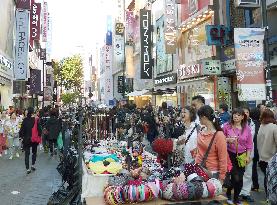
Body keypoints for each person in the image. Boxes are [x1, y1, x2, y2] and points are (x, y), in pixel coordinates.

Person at [223, 108, 253, 205]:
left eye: (238, 115)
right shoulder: (227, 126)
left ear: (243, 117)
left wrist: (248, 157)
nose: (235, 116)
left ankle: (236, 198)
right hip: (229, 155)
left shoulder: (247, 128)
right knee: (235, 177)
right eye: (234, 114)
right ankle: (229, 193)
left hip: (242, 156)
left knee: (239, 178)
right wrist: (228, 140)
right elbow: (220, 139)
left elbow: (249, 145)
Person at [195, 105, 228, 182]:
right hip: (199, 169)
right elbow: (199, 151)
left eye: (199, 117)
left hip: (212, 173)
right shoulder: (202, 130)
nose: (198, 120)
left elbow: (223, 158)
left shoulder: (219, 135)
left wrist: (222, 177)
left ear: (204, 117)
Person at [257, 109, 277, 199]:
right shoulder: (274, 127)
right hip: (272, 158)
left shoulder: (261, 126)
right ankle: (271, 196)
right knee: (272, 179)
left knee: (266, 177)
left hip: (262, 158)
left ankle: (268, 196)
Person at [239, 107, 256, 202]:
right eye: (243, 112)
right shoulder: (236, 124)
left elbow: (251, 137)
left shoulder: (251, 123)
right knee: (239, 174)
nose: (245, 114)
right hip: (238, 153)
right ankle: (239, 192)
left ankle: (246, 192)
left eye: (247, 112)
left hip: (249, 153)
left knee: (248, 174)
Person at [19, 107, 41, 174]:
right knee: (34, 152)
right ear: (33, 112)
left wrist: (21, 137)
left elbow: (21, 130)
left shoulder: (25, 120)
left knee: (27, 154)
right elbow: (39, 130)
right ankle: (33, 165)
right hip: (34, 139)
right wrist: (39, 136)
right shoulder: (36, 119)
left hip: (26, 139)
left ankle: (27, 168)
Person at [249, 107, 261, 191]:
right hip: (260, 149)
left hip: (253, 148)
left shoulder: (250, 124)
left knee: (253, 168)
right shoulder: (261, 124)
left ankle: (255, 184)